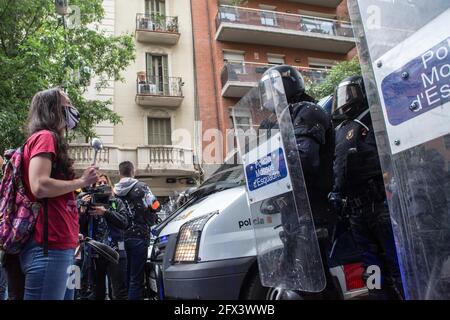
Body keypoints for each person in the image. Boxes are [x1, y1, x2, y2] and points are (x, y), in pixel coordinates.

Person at [262, 65, 340, 299]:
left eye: (271, 88)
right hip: (293, 211)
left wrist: (270, 169)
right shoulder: (281, 119)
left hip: (312, 210)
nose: (268, 94)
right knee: (301, 279)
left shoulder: (306, 111)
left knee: (315, 281)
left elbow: (303, 159)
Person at [17, 88, 99, 300]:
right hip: (49, 250)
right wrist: (81, 181)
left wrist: (72, 233)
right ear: (53, 109)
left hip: (60, 247)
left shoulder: (47, 139)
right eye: (67, 105)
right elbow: (40, 185)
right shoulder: (45, 137)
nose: (72, 110)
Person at [328, 76, 403, 300]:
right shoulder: (344, 128)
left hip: (380, 203)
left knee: (394, 261)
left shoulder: (375, 117)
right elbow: (339, 168)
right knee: (372, 264)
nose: (345, 100)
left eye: (349, 93)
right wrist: (337, 194)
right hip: (356, 208)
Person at [78, 174, 129, 300]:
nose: (102, 185)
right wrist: (83, 210)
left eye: (104, 182)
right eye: (99, 183)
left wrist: (105, 213)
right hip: (95, 254)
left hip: (115, 252)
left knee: (119, 293)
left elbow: (124, 222)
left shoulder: (116, 202)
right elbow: (80, 229)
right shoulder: (89, 204)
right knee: (98, 292)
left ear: (109, 185)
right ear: (94, 187)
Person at [114, 161, 157, 300]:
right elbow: (156, 205)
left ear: (119, 173)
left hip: (121, 239)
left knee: (125, 277)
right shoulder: (142, 187)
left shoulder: (114, 192)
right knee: (136, 279)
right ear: (133, 172)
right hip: (139, 236)